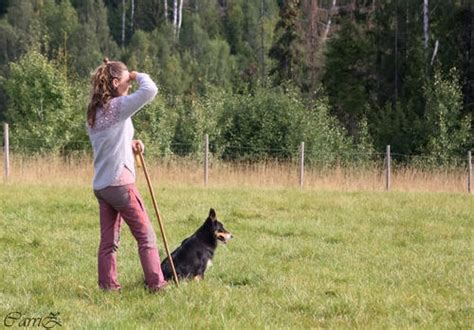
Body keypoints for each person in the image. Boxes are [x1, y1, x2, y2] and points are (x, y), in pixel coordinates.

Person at [87, 58, 167, 292]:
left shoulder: (95, 111)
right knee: (146, 237)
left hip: (102, 186)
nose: (129, 85)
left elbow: (108, 142)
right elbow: (151, 89)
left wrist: (130, 144)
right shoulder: (117, 106)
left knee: (108, 243)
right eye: (125, 82)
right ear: (115, 82)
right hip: (120, 184)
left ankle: (108, 288)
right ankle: (157, 285)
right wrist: (135, 73)